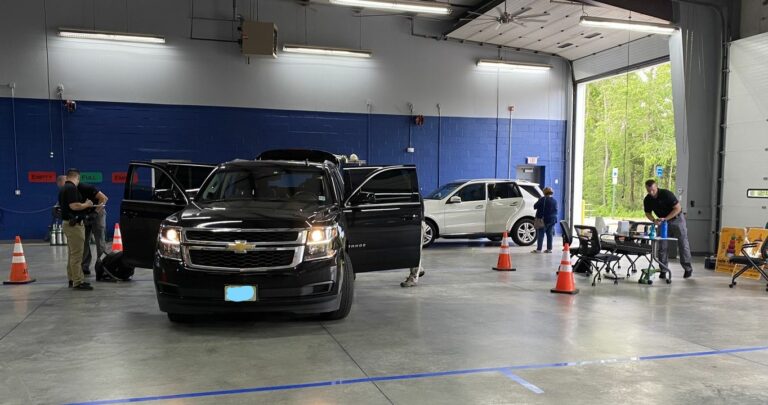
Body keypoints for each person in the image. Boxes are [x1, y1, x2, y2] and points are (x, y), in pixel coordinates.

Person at [643, 179, 694, 279]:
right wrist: (654, 220)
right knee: (662, 246)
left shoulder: (667, 194)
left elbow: (678, 208)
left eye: (653, 190)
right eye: (649, 191)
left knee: (683, 243)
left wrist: (666, 218)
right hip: (662, 222)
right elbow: (647, 213)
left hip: (677, 219)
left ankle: (687, 268)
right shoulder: (647, 199)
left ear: (656, 187)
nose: (651, 193)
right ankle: (663, 269)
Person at [58, 169, 95, 290]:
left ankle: (72, 278)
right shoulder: (71, 188)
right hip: (74, 225)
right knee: (77, 255)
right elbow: (74, 205)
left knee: (72, 254)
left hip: (67, 223)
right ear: (77, 177)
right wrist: (87, 204)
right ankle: (78, 282)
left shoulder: (63, 188)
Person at [78, 182, 109, 275]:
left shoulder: (86, 187)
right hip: (85, 214)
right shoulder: (70, 190)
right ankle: (84, 266)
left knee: (100, 241)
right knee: (84, 241)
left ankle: (102, 266)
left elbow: (104, 198)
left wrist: (95, 212)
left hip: (98, 212)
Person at [532, 187, 558, 253]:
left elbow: (535, 206)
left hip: (543, 220)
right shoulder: (555, 200)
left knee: (541, 235)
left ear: (544, 192)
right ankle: (549, 249)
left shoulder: (542, 199)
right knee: (549, 235)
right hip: (552, 220)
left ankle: (538, 249)